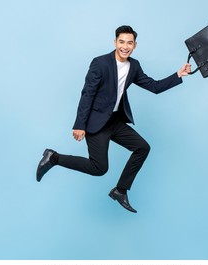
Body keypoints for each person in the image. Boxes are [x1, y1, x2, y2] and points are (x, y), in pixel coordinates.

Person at [36, 25, 191, 213]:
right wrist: (79, 125)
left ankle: (120, 190)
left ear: (135, 45)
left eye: (130, 43)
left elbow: (154, 86)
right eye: (121, 42)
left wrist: (178, 74)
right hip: (96, 122)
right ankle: (54, 158)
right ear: (115, 42)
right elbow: (87, 94)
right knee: (99, 168)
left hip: (115, 121)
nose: (125, 46)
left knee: (143, 147)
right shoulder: (100, 63)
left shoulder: (134, 66)